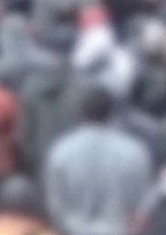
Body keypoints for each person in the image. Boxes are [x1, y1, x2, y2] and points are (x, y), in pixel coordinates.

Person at [43, 86, 154, 235]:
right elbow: (143, 205)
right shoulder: (135, 152)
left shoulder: (61, 151)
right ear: (112, 113)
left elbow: (55, 204)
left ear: (81, 113)